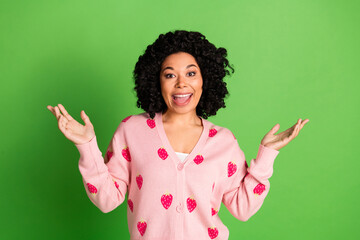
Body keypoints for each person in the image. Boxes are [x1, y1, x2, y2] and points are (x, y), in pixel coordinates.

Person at [47, 30, 309, 240]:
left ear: (205, 79)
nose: (181, 83)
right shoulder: (131, 130)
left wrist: (266, 157)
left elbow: (242, 208)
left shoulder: (224, 141)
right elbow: (106, 200)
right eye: (169, 74)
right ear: (156, 81)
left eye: (191, 73)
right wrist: (87, 146)